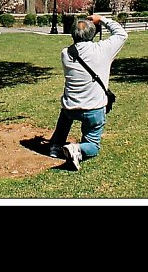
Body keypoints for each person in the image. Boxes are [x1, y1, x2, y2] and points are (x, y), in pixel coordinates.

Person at [48, 13, 128, 170]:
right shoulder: (103, 50)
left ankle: (55, 146)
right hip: (94, 109)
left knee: (65, 114)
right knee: (93, 145)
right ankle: (77, 148)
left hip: (70, 108)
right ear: (93, 33)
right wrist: (102, 19)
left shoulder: (66, 53)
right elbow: (121, 34)